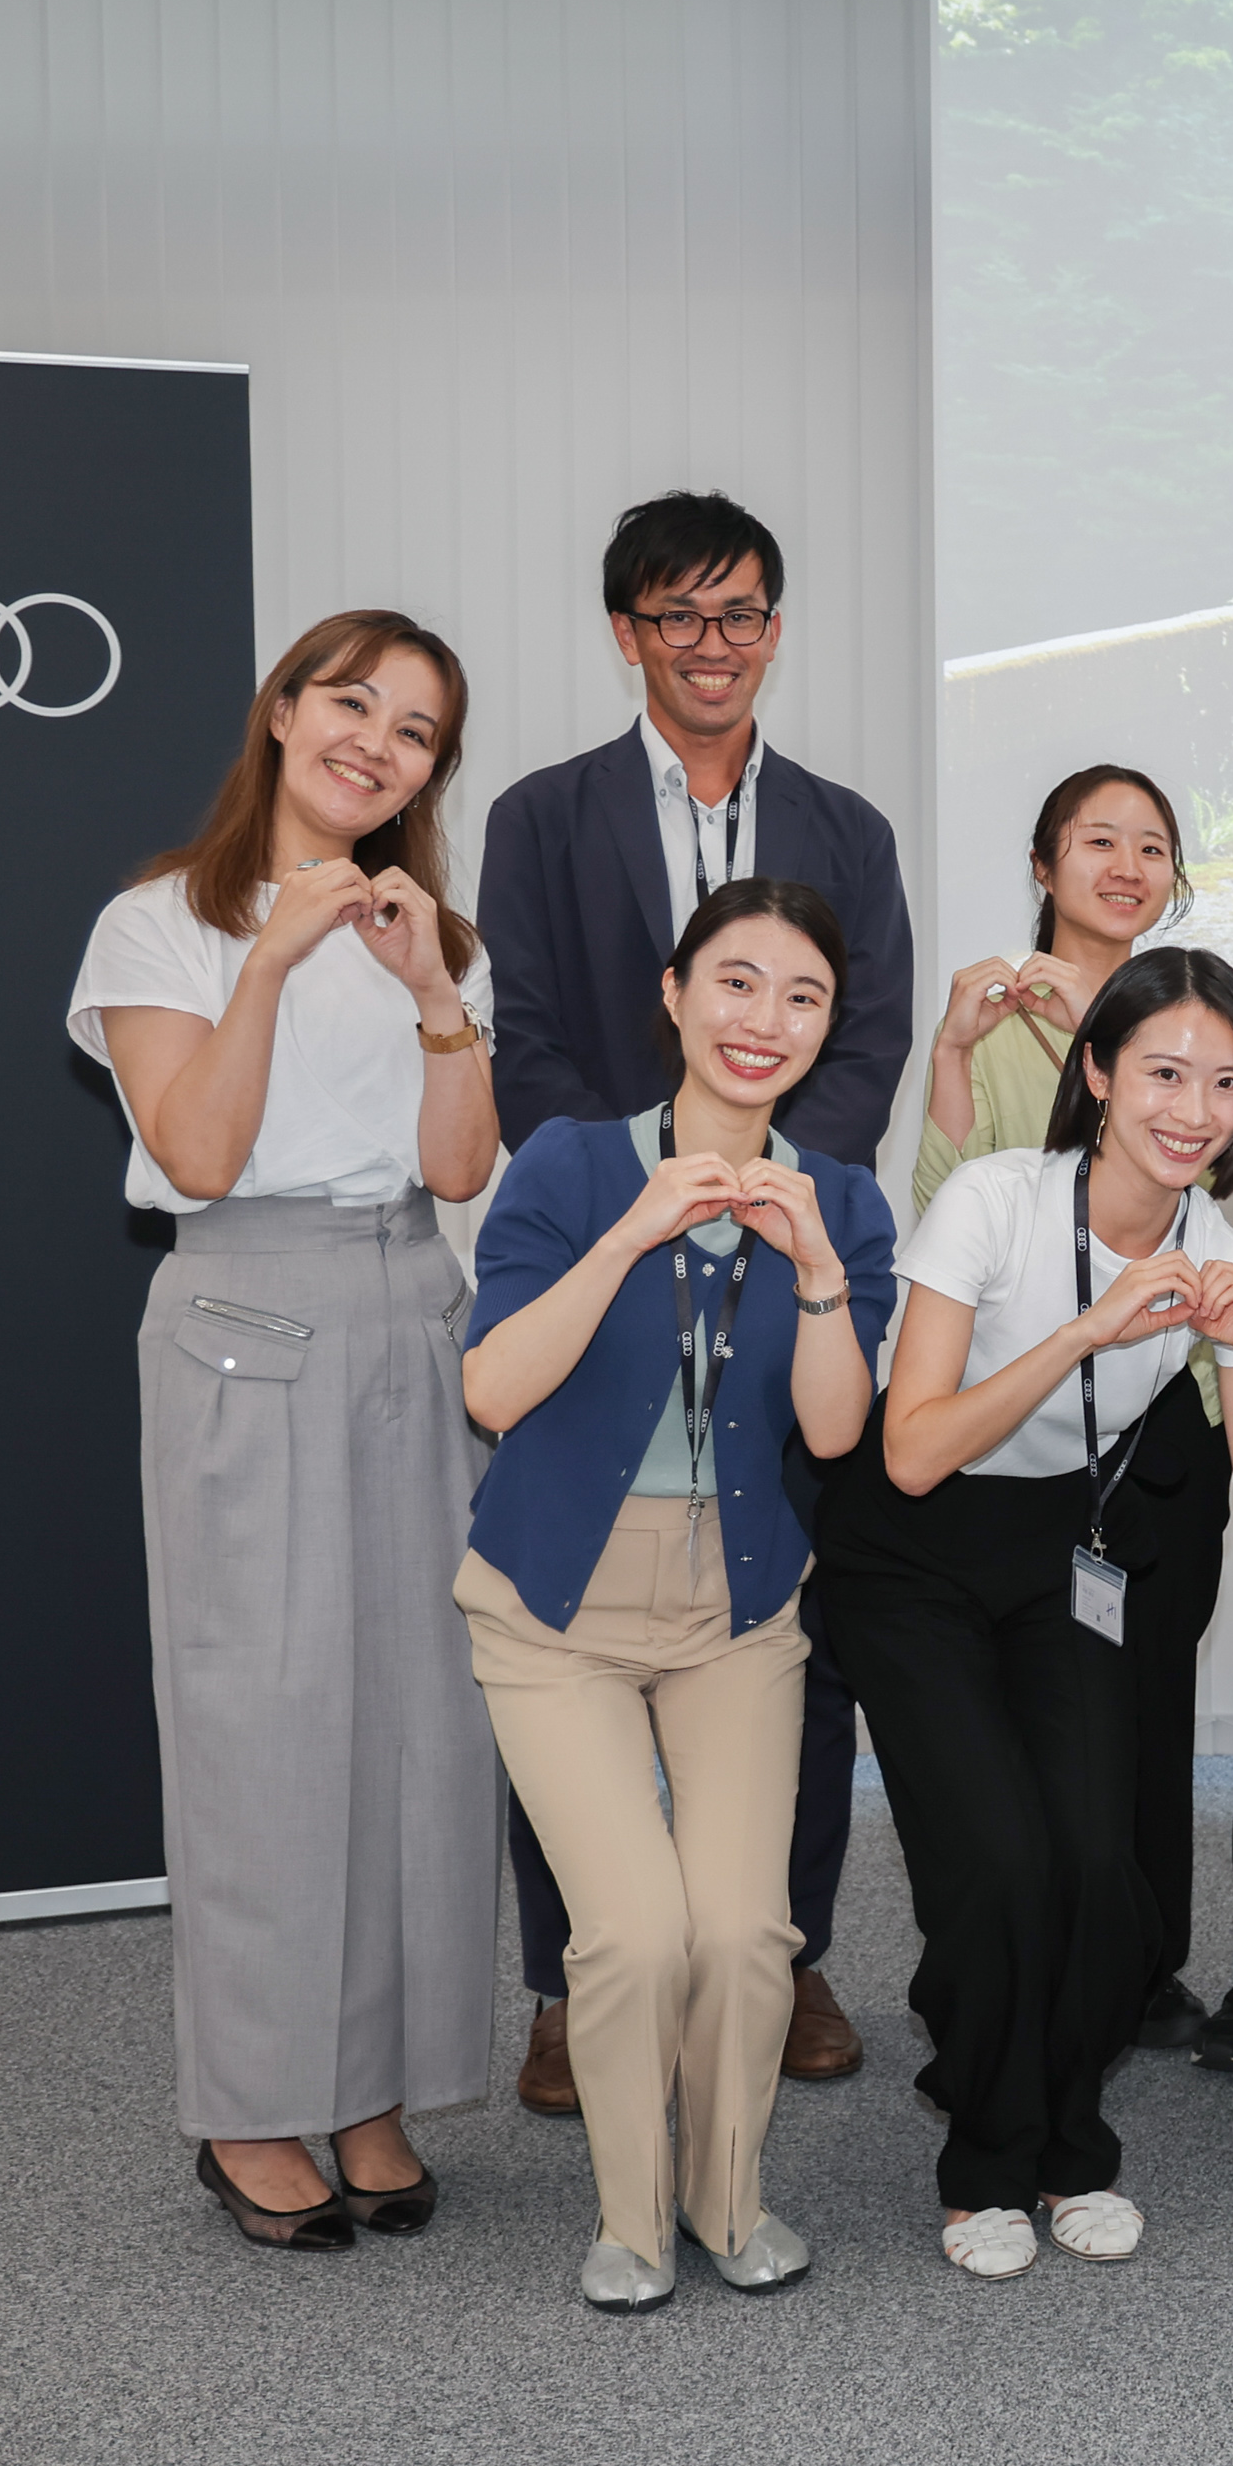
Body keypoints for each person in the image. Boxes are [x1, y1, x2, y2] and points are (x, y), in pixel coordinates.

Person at [68, 610, 499, 2253]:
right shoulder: (158, 922)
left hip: (409, 1310)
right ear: (283, 711)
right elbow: (193, 1147)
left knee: (418, 1721)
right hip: (247, 1320)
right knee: (263, 1723)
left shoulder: (438, 938)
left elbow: (459, 1172)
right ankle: (251, 2105)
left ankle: (374, 2086)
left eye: (415, 731)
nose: (374, 743)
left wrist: (428, 995)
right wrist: (270, 961)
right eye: (351, 703)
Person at [478, 490, 913, 2112]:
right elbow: (531, 1042)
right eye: (680, 616)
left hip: (788, 1260)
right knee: (568, 1605)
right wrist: (634, 1190)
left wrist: (788, 1201)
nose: (712, 644)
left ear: (774, 634)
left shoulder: (846, 828)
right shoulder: (541, 817)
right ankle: (567, 1976)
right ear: (627, 634)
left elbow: (859, 1045)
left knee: (782, 1629)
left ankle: (778, 1950)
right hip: (607, 1255)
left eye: (741, 615)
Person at [809, 948, 1233, 2279]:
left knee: (1107, 1876)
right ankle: (999, 2161)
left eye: (1223, 1082)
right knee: (1000, 1861)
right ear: (1096, 1074)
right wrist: (1087, 1334)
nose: (1192, 1108)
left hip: (1060, 1551)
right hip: (909, 1548)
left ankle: (1059, 2120)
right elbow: (911, 1449)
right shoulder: (994, 1198)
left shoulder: (1224, 1241)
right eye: (1161, 1072)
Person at [453, 878, 899, 2311]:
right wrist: (633, 1233)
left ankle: (727, 2196)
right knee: (634, 1932)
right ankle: (633, 2221)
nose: (764, 1020)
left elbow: (834, 1436)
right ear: (674, 991)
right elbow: (492, 1386)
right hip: (555, 1603)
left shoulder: (841, 1198)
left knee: (746, 1934)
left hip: (740, 1602)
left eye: (802, 996)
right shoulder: (574, 1166)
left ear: (829, 1027)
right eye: (737, 982)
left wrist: (821, 1277)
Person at [918, 764, 1233, 2058]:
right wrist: (951, 1051)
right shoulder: (987, 1010)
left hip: (1170, 1399)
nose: (1125, 862)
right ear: (1043, 864)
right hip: (1033, 1394)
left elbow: (1225, 1185)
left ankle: (1144, 1960)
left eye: (1151, 844)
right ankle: (1023, 1953)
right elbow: (941, 1191)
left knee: (1150, 1688)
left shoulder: (1198, 1012)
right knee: (1026, 1697)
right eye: (1096, 839)